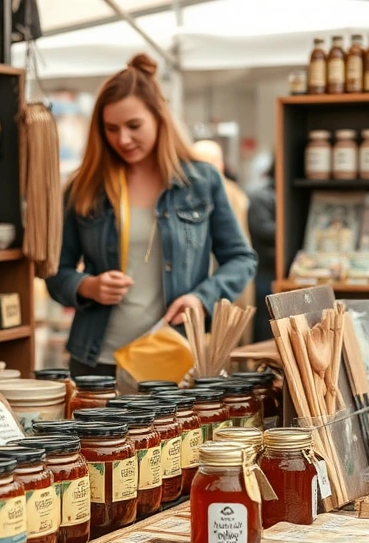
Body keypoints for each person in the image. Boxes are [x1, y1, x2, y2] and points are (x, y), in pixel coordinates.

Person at [45, 54, 257, 378]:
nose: (123, 139)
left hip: (174, 360)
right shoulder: (85, 187)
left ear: (159, 118)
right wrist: (87, 286)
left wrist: (202, 299)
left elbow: (241, 259)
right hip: (96, 363)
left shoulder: (201, 183)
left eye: (134, 126)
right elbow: (54, 272)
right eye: (111, 128)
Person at [191, 139, 255, 345]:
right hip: (224, 281)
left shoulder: (223, 193)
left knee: (223, 343)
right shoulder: (233, 191)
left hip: (222, 279)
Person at [247, 159, 276, 343]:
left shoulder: (272, 194)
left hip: (272, 270)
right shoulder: (260, 196)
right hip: (264, 270)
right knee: (265, 326)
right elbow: (262, 229)